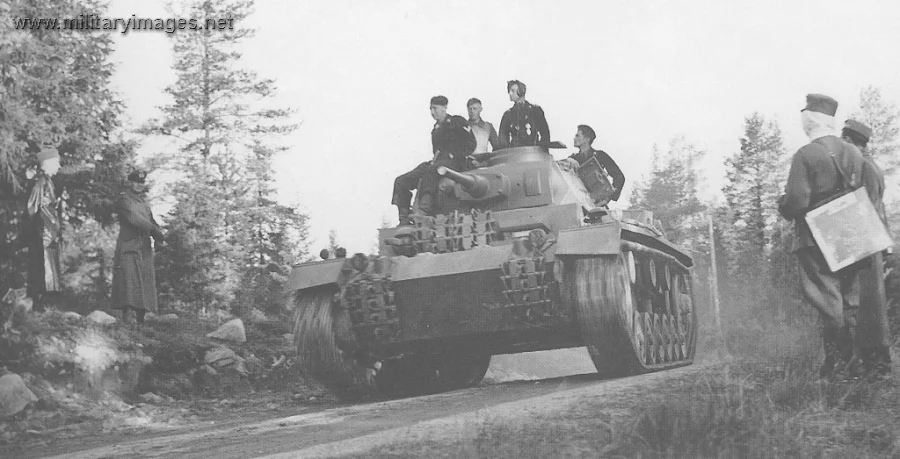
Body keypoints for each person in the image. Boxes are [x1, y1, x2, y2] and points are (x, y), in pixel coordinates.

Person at [777, 94, 867, 380]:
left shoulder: (806, 154)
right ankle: (854, 367)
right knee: (849, 301)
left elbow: (796, 204)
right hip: (853, 232)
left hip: (817, 238)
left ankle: (836, 368)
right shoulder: (854, 153)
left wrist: (782, 203)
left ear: (811, 120)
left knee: (828, 302)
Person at [841, 119, 892, 378]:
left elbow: (869, 206)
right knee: (869, 304)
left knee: (871, 305)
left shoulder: (865, 167)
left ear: (850, 141)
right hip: (870, 239)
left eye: (844, 141)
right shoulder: (868, 165)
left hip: (868, 240)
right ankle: (872, 362)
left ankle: (878, 364)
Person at [391, 95, 476, 224]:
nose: (432, 112)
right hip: (438, 162)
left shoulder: (457, 122)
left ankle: (424, 209)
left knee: (430, 170)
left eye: (435, 108)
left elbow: (471, 143)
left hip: (457, 163)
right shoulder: (435, 130)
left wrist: (456, 155)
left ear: (444, 108)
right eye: (431, 109)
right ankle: (403, 218)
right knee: (401, 180)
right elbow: (436, 151)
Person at [111, 169, 165, 326]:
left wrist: (160, 235)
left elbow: (151, 220)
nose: (139, 185)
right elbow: (134, 218)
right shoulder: (124, 200)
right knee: (128, 280)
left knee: (144, 281)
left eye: (141, 182)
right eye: (136, 182)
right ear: (130, 183)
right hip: (129, 245)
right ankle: (127, 318)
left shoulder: (144, 203)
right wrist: (154, 230)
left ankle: (141, 321)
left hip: (144, 248)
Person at [26, 146, 64, 311]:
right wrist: (44, 228)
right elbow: (33, 208)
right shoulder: (41, 182)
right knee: (41, 267)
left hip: (48, 233)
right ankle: (38, 305)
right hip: (42, 233)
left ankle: (42, 305)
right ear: (47, 163)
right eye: (57, 163)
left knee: (46, 267)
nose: (59, 167)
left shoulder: (47, 182)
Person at [558, 124, 626, 203]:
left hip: (596, 202)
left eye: (578, 136)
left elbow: (619, 176)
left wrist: (609, 196)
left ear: (586, 139)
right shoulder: (573, 159)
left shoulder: (600, 155)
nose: (574, 138)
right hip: (578, 201)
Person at [498, 80, 550, 148]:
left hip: (534, 152)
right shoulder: (508, 115)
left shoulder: (535, 111)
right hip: (515, 154)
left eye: (513, 91)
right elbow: (503, 139)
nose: (510, 93)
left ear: (521, 91)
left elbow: (545, 134)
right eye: (509, 91)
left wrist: (543, 151)